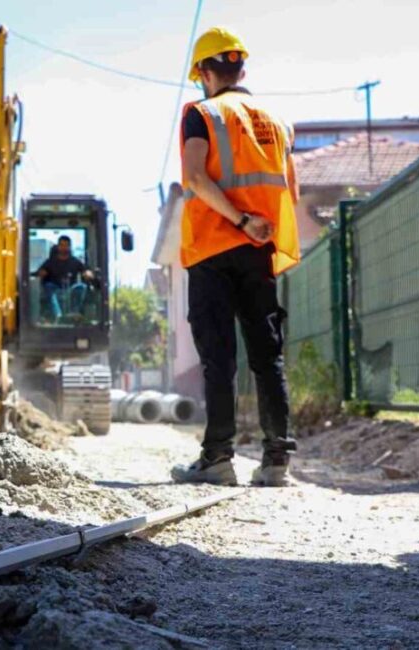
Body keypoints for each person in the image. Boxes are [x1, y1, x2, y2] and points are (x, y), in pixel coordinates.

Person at [169, 27, 301, 488]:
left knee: (219, 356)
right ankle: (277, 460)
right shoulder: (278, 121)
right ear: (241, 68)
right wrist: (258, 227)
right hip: (258, 250)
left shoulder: (202, 113)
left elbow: (197, 178)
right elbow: (290, 191)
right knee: (267, 355)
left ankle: (218, 458)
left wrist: (239, 220)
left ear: (206, 72)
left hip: (213, 246)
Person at [35, 235, 94, 321]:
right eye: (62, 245)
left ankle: (74, 313)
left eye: (66, 245)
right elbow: (40, 272)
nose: (64, 248)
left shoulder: (75, 261)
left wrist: (88, 273)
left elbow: (85, 270)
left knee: (81, 287)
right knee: (48, 286)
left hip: (71, 290)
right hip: (55, 289)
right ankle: (57, 315)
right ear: (58, 247)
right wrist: (41, 273)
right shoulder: (50, 262)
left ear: (70, 247)